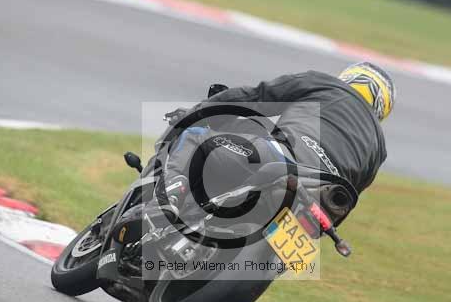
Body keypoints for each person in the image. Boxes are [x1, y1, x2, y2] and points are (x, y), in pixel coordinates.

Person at [137, 61, 396, 231]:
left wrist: (201, 111)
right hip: (321, 199)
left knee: (196, 135)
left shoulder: (325, 84)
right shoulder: (378, 148)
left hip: (284, 158)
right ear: (381, 109)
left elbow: (255, 97)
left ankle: (169, 197)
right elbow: (350, 197)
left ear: (349, 78)